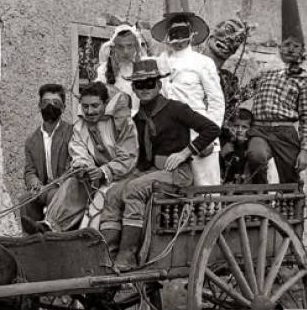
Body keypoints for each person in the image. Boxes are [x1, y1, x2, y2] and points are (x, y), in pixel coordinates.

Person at [113, 59, 220, 272]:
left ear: (159, 85)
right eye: (140, 85)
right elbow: (141, 158)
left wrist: (185, 152)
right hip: (152, 173)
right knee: (113, 193)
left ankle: (128, 255)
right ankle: (109, 251)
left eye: (150, 83)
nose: (145, 89)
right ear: (133, 88)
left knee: (134, 189)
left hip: (177, 175)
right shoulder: (138, 119)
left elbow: (211, 128)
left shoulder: (176, 109)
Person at [23, 81, 138, 240]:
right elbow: (79, 153)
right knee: (73, 182)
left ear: (105, 103)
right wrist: (84, 168)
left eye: (95, 106)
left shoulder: (121, 123)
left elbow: (128, 158)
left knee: (102, 197)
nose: (89, 111)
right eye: (85, 106)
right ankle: (49, 226)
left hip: (124, 176)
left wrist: (103, 171)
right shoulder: (79, 127)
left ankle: (96, 245)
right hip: (95, 177)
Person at [238, 0, 307, 184]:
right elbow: (246, 93)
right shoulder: (266, 71)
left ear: (302, 52)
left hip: (285, 133)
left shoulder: (304, 79)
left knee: (290, 179)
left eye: (296, 47)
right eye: (287, 46)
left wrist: (304, 150)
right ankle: (260, 199)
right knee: (255, 155)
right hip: (260, 129)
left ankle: (292, 217)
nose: (291, 50)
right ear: (280, 47)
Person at [153, 0, 225, 187]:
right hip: (172, 132)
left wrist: (210, 135)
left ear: (191, 33)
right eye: (174, 34)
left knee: (206, 188)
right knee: (174, 186)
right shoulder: (161, 61)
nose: (178, 40)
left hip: (199, 128)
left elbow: (217, 101)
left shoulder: (203, 63)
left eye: (182, 33)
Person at [19, 83, 73, 233]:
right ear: (39, 106)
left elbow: (72, 166)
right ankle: (30, 241)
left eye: (56, 103)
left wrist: (56, 184)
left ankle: (52, 238)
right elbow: (29, 171)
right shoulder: (32, 140)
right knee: (25, 199)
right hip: (41, 189)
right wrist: (34, 183)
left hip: (62, 189)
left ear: (64, 107)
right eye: (45, 102)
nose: (50, 106)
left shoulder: (72, 133)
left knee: (53, 196)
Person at [95, 23, 147, 115]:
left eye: (129, 46)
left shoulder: (145, 68)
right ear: (114, 48)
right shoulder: (103, 71)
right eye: (120, 47)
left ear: (136, 47)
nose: (125, 51)